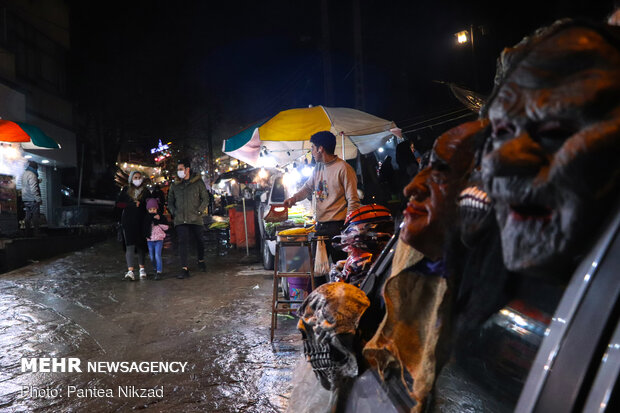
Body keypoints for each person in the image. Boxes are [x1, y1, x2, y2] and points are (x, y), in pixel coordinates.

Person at [283, 131, 361, 263]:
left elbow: (353, 200)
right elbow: (307, 188)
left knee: (339, 267)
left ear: (321, 149)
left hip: (338, 227)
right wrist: (294, 198)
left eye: (312, 148)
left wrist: (347, 229)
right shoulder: (318, 168)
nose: (311, 151)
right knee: (317, 270)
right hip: (320, 226)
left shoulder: (344, 169)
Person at [167, 158, 209, 279]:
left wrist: (200, 211)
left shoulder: (198, 182)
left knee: (199, 241)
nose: (179, 172)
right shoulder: (175, 185)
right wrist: (174, 212)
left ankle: (201, 260)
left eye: (181, 169)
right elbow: (170, 201)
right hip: (180, 219)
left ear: (187, 170)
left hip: (195, 218)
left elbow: (205, 198)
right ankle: (184, 269)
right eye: (178, 170)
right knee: (183, 242)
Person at [117, 170, 149, 280]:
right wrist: (130, 204)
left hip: (141, 222)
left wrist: (142, 204)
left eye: (139, 177)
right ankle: (130, 271)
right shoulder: (126, 190)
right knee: (129, 246)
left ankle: (142, 269)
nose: (137, 179)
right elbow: (119, 204)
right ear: (131, 179)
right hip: (128, 222)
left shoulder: (145, 191)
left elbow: (150, 205)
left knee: (141, 246)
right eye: (135, 177)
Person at [144, 197, 169, 280]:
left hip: (159, 239)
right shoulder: (146, 218)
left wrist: (158, 222)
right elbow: (144, 228)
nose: (152, 211)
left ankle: (159, 271)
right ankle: (155, 268)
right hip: (150, 240)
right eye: (150, 209)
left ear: (156, 209)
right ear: (148, 210)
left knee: (157, 255)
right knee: (151, 256)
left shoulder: (160, 217)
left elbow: (166, 227)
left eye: (154, 209)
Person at [21, 161, 42, 236]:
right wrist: (38, 199)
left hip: (25, 199)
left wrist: (37, 181)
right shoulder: (32, 175)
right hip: (32, 199)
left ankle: (27, 233)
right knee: (35, 216)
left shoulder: (24, 174)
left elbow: (27, 185)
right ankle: (36, 233)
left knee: (28, 216)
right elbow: (33, 189)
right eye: (36, 168)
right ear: (35, 168)